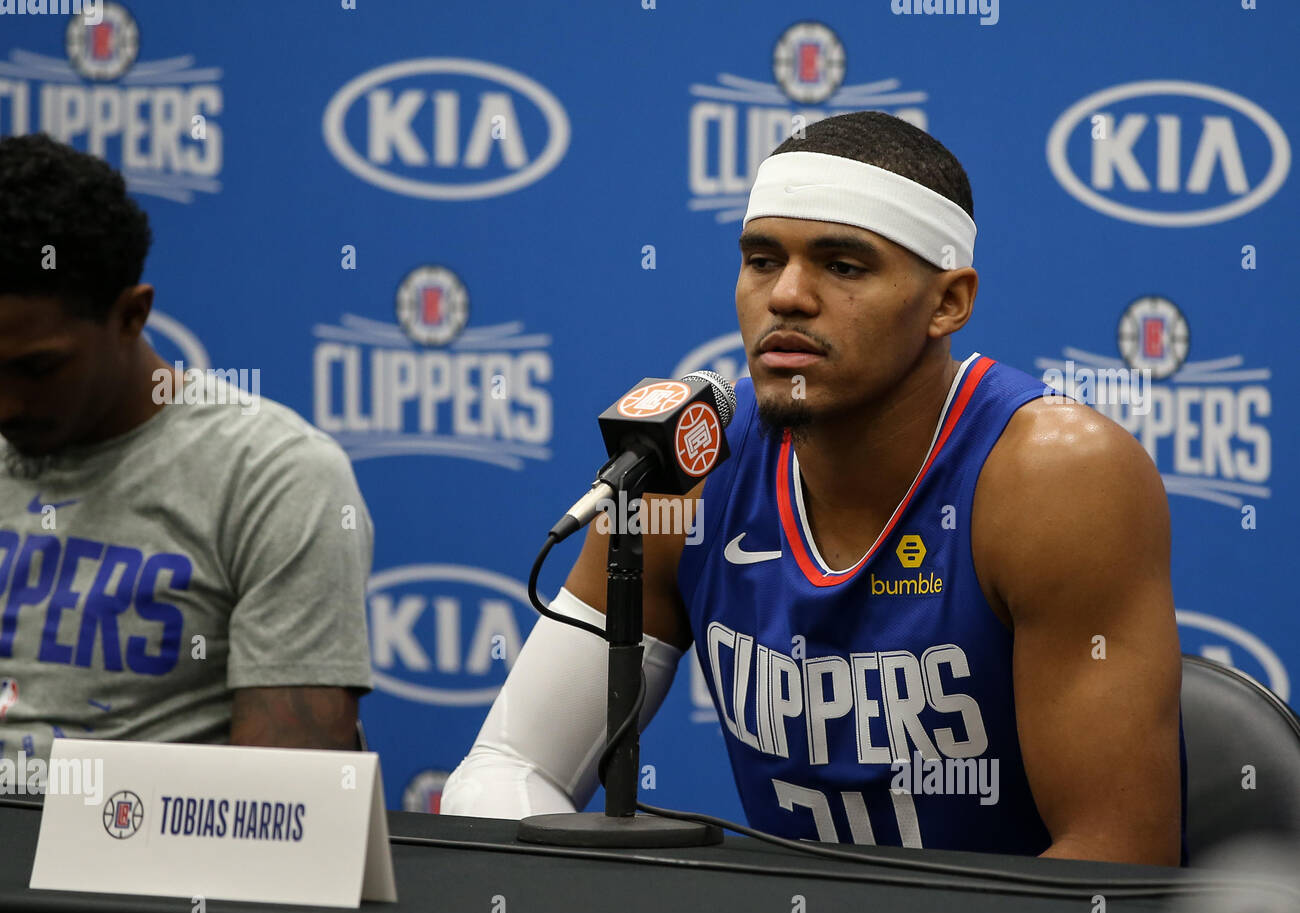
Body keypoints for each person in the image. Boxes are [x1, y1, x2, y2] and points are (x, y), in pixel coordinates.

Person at [442, 111, 1187, 867]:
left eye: (843, 266)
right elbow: (511, 768)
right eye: (762, 260)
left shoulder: (1055, 476)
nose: (788, 296)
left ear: (948, 302)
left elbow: (1115, 859)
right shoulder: (682, 467)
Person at [0, 133, 374, 771]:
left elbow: (282, 803)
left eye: (39, 369)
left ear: (132, 315)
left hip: (142, 862)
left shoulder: (276, 476)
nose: (6, 407)